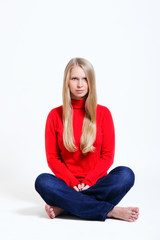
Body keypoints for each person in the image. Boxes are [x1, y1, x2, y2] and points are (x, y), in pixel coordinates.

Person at [35, 57, 139, 222]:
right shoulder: (54, 115)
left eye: (85, 79)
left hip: (97, 183)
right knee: (42, 181)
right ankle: (109, 211)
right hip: (67, 185)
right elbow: (53, 159)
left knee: (126, 174)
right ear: (67, 82)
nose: (80, 85)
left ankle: (65, 206)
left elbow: (107, 156)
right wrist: (71, 182)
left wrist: (89, 181)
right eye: (74, 79)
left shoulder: (103, 113)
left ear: (91, 82)